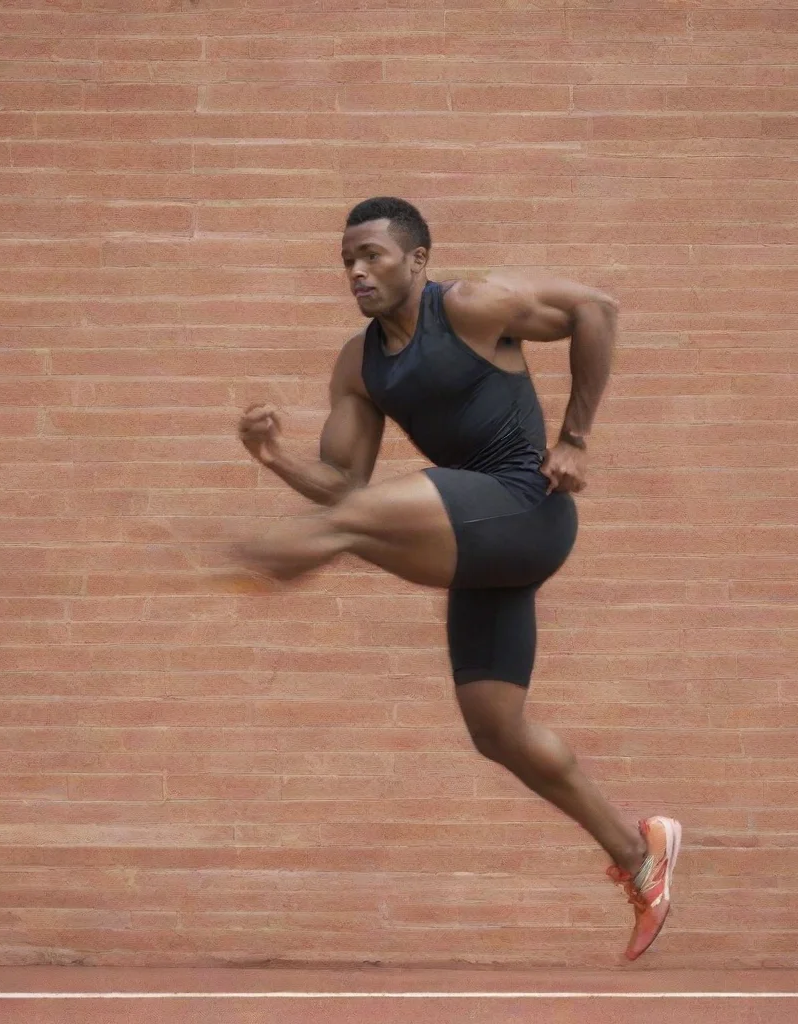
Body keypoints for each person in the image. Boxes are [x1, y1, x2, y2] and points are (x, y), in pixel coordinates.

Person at [234, 196, 681, 961]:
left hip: (525, 505)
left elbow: (595, 309)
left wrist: (575, 436)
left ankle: (246, 564)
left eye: (372, 254)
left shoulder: (474, 305)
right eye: (347, 260)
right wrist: (272, 458)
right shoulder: (359, 364)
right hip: (476, 537)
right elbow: (345, 486)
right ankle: (642, 853)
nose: (357, 271)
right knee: (495, 730)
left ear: (418, 260)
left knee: (343, 530)